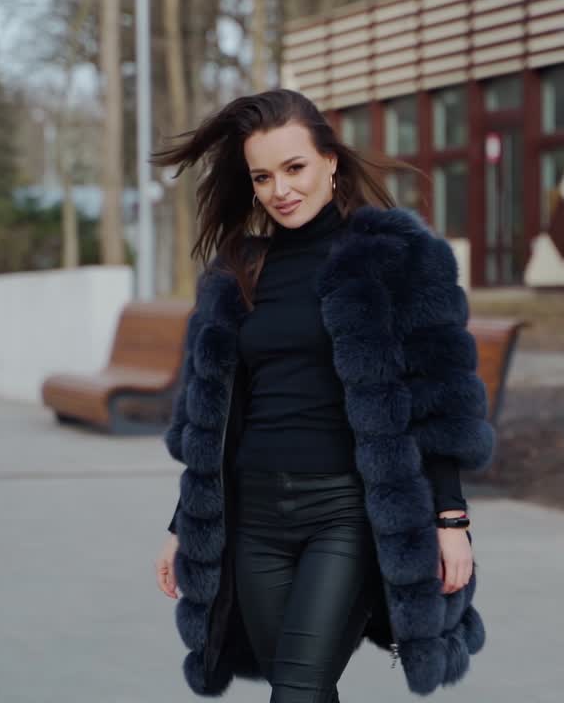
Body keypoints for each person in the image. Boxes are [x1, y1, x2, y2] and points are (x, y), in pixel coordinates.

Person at [151, 89, 494, 702]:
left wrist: (451, 517)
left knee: (298, 690)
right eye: (263, 176)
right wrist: (186, 526)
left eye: (294, 168)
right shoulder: (237, 275)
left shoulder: (393, 256)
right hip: (253, 517)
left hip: (346, 513)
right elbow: (212, 419)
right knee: (303, 687)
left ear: (330, 161)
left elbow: (437, 400)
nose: (280, 189)